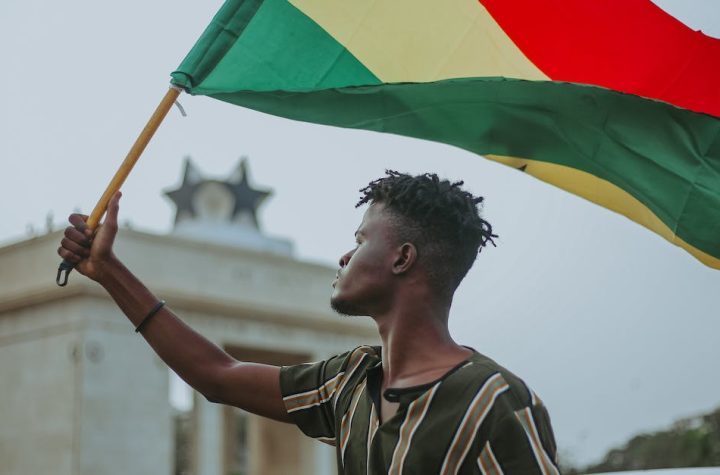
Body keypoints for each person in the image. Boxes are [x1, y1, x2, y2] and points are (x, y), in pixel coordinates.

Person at [58, 170, 559, 474]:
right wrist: (107, 272)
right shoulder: (351, 383)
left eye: (361, 239)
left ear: (403, 258)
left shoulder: (493, 402)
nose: (344, 254)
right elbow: (218, 376)